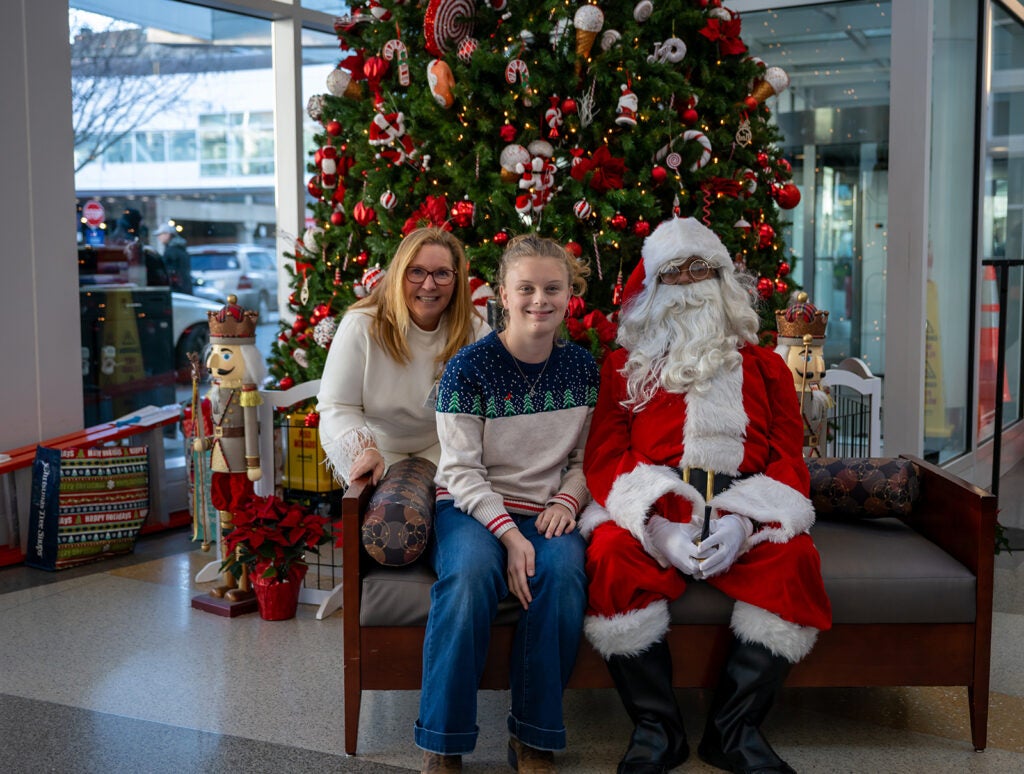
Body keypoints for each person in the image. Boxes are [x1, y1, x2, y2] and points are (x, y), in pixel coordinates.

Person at [579, 217, 832, 774]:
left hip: (746, 505)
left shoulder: (766, 368)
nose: (692, 283)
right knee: (610, 558)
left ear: (724, 281)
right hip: (660, 506)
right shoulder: (625, 368)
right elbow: (603, 456)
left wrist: (745, 522)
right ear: (653, 289)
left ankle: (734, 731)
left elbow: (790, 456)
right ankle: (656, 731)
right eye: (676, 272)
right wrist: (659, 525)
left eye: (704, 269)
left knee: (795, 560)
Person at [415, 235, 600, 774]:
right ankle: (443, 742)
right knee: (470, 577)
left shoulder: (583, 370)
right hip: (473, 508)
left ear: (570, 295)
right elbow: (459, 470)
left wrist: (569, 499)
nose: (538, 299)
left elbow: (589, 457)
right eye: (526, 288)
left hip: (547, 509)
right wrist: (509, 534)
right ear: (501, 293)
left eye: (552, 288)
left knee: (564, 575)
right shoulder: (467, 369)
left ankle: (533, 736)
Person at [317, 227, 489, 486]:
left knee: (443, 507)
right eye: (417, 272)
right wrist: (365, 450)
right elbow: (337, 406)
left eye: (442, 273)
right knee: (394, 507)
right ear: (399, 274)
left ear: (455, 279)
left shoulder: (474, 331)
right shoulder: (361, 325)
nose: (429, 285)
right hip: (374, 443)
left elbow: (490, 407)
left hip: (440, 442)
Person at [194, 294, 265, 601]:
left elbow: (250, 426)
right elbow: (210, 423)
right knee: (224, 521)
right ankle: (227, 576)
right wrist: (205, 440)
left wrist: (253, 461)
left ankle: (245, 583)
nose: (215, 363)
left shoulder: (246, 392)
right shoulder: (214, 392)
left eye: (225, 355)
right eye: (217, 353)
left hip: (239, 466)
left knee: (242, 521)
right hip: (219, 462)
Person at [156, 222, 193, 295]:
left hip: (177, 289)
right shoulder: (180, 249)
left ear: (167, 234)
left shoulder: (171, 251)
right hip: (184, 287)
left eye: (160, 234)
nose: (159, 237)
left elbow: (169, 272)